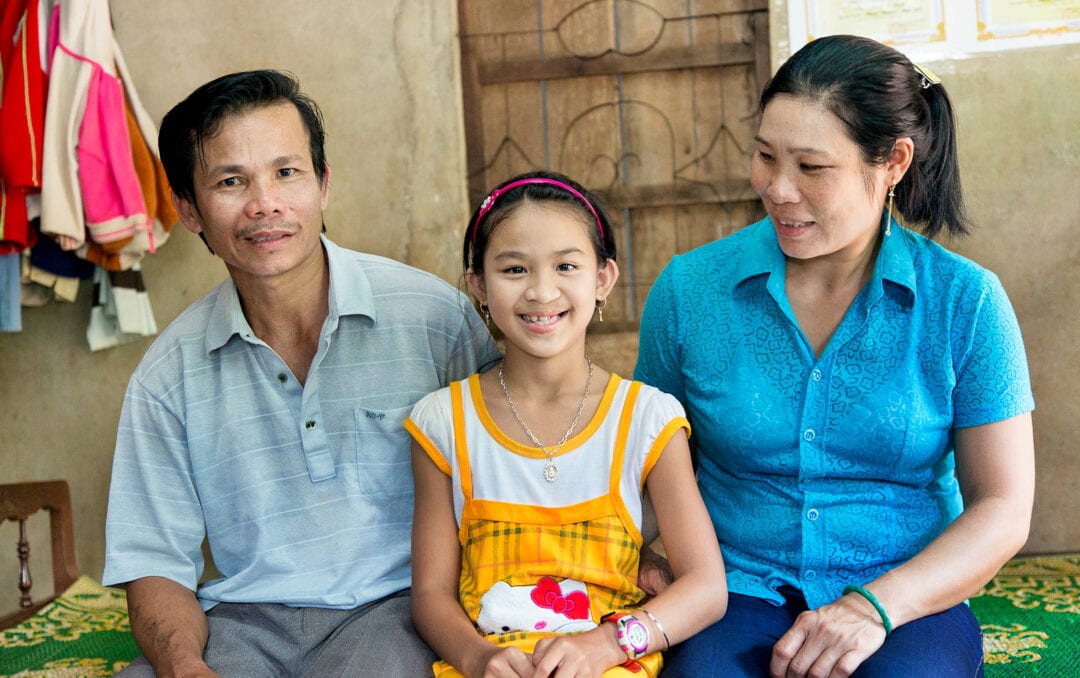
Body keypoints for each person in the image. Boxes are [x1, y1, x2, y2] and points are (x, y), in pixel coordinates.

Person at [634, 35, 1035, 677]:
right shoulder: (689, 293)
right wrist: (638, 549)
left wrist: (876, 607)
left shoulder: (966, 302)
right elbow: (647, 463)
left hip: (906, 595)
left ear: (894, 162)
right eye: (765, 156)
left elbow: (1004, 508)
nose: (778, 189)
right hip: (734, 588)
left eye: (811, 168)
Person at [102, 70, 501, 676]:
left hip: (399, 611)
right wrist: (187, 666)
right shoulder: (167, 376)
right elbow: (155, 562)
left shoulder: (433, 319)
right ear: (189, 210)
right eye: (231, 181)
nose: (266, 204)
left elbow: (523, 457)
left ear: (323, 184)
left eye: (287, 172)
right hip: (244, 625)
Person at [405, 171, 728, 677]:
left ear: (602, 279)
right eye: (514, 269)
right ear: (478, 286)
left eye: (566, 266)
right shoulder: (443, 422)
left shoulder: (647, 419)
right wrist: (480, 657)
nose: (540, 290)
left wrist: (608, 644)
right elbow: (429, 594)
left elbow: (706, 587)